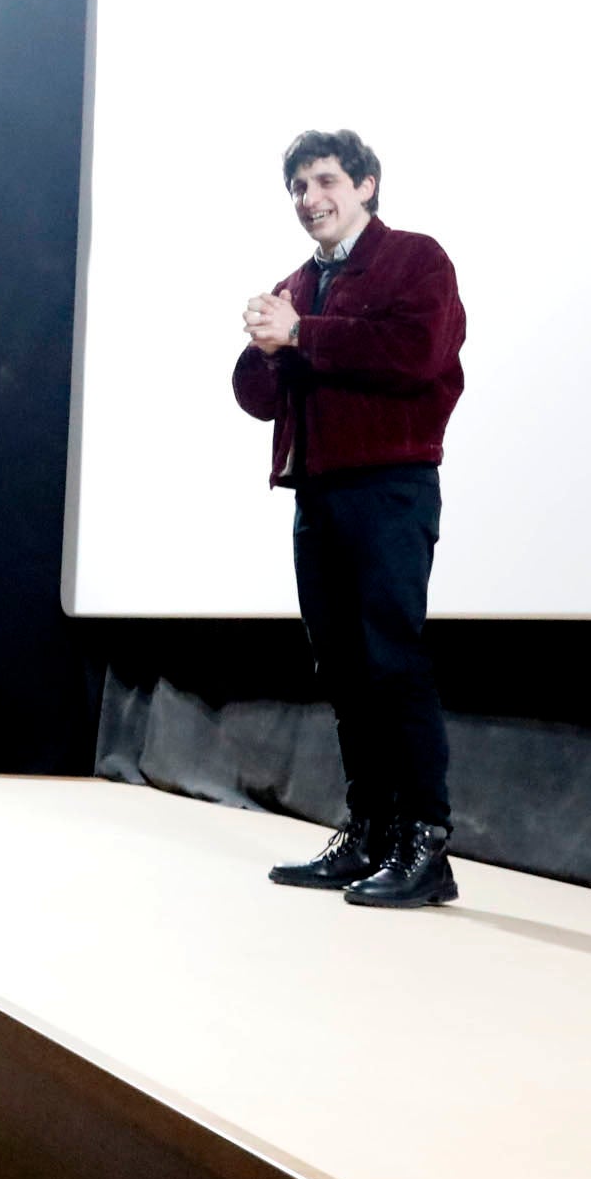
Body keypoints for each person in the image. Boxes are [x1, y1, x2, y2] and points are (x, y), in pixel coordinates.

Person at [233, 128, 469, 910]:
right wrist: (267, 346)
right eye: (299, 187)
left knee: (392, 662)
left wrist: (302, 333)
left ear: (366, 184)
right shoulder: (297, 283)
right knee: (342, 670)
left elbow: (417, 352)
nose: (311, 199)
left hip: (389, 487)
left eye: (326, 180)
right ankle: (369, 832)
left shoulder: (415, 259)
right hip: (318, 495)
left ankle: (424, 845)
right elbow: (257, 398)